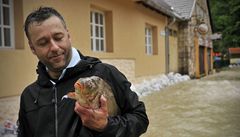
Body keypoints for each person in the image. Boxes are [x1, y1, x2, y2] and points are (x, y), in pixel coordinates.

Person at [17, 6, 149, 137]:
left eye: (58, 37)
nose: (54, 47)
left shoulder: (105, 73)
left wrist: (106, 126)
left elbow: (140, 119)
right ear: (32, 48)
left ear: (68, 36)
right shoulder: (29, 96)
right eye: (43, 42)